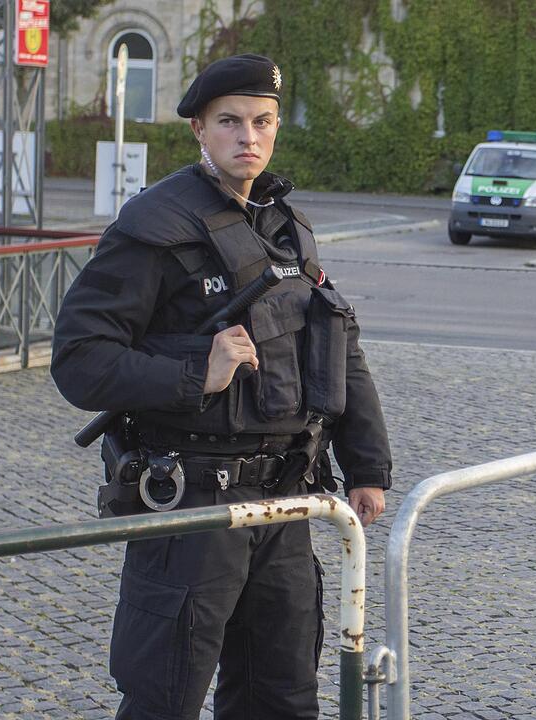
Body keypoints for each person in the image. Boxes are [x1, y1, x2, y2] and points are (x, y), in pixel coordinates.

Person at [50, 54, 393, 719]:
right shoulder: (154, 227)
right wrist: (193, 371)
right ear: (198, 131)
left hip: (288, 499)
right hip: (192, 504)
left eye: (263, 122)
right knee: (164, 699)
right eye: (230, 122)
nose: (250, 138)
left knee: (281, 700)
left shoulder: (284, 224)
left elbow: (337, 345)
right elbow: (79, 360)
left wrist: (367, 465)